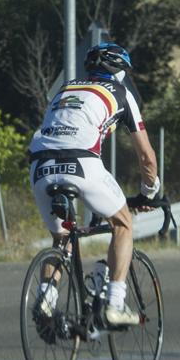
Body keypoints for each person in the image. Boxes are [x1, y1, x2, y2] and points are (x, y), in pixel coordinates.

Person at [28, 42, 159, 327]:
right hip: (82, 163)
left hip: (40, 166)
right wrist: (149, 191)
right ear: (120, 71)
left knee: (62, 238)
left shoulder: (66, 89)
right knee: (123, 224)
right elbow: (147, 157)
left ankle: (46, 305)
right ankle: (114, 304)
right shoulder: (121, 93)